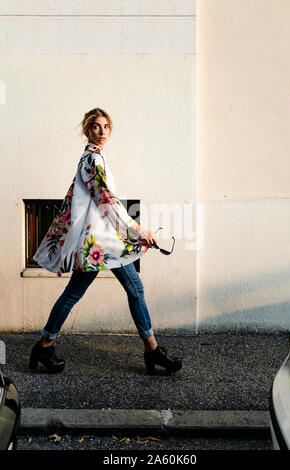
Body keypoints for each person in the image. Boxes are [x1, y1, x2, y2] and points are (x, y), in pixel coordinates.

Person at [29, 108, 182, 375]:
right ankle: (44, 344)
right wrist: (137, 230)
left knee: (132, 290)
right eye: (96, 127)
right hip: (98, 245)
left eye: (106, 126)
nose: (102, 132)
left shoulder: (96, 158)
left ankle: (152, 350)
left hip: (105, 242)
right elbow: (106, 201)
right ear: (87, 130)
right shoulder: (92, 159)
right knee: (78, 294)